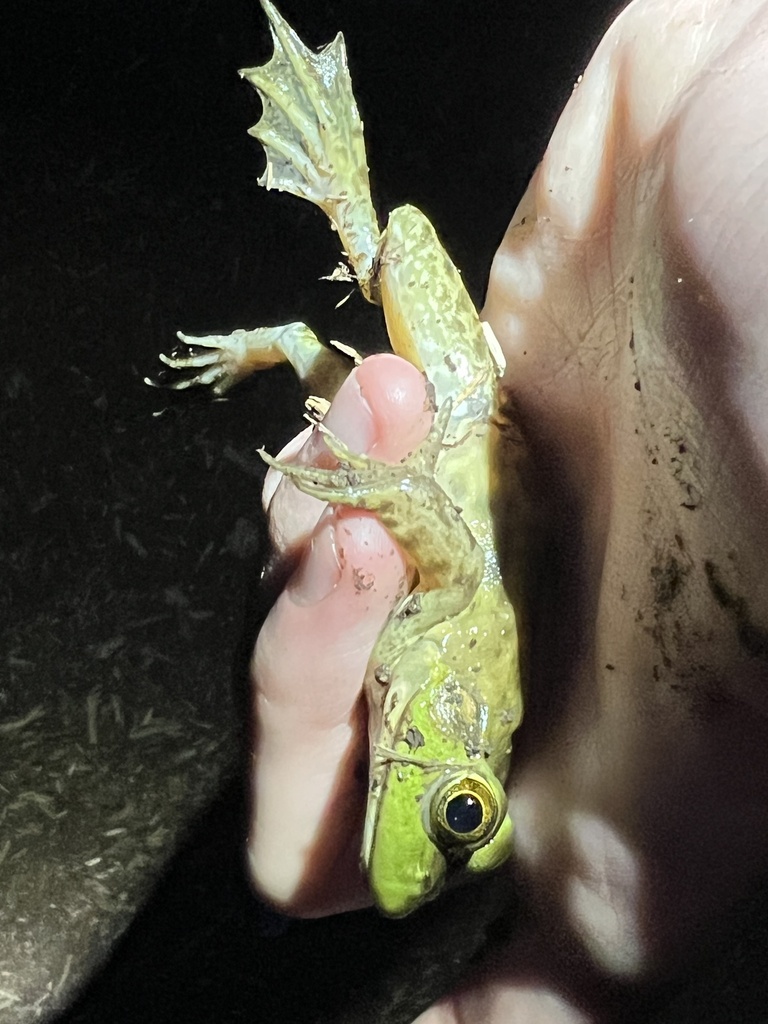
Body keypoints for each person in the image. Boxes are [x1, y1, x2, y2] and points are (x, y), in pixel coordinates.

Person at [247, 0, 768, 1018]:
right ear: (471, 747)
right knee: (392, 249)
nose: (452, 820)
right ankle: (333, 211)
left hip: (516, 452)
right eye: (464, 809)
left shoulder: (459, 699)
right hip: (476, 406)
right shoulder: (464, 675)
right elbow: (453, 560)